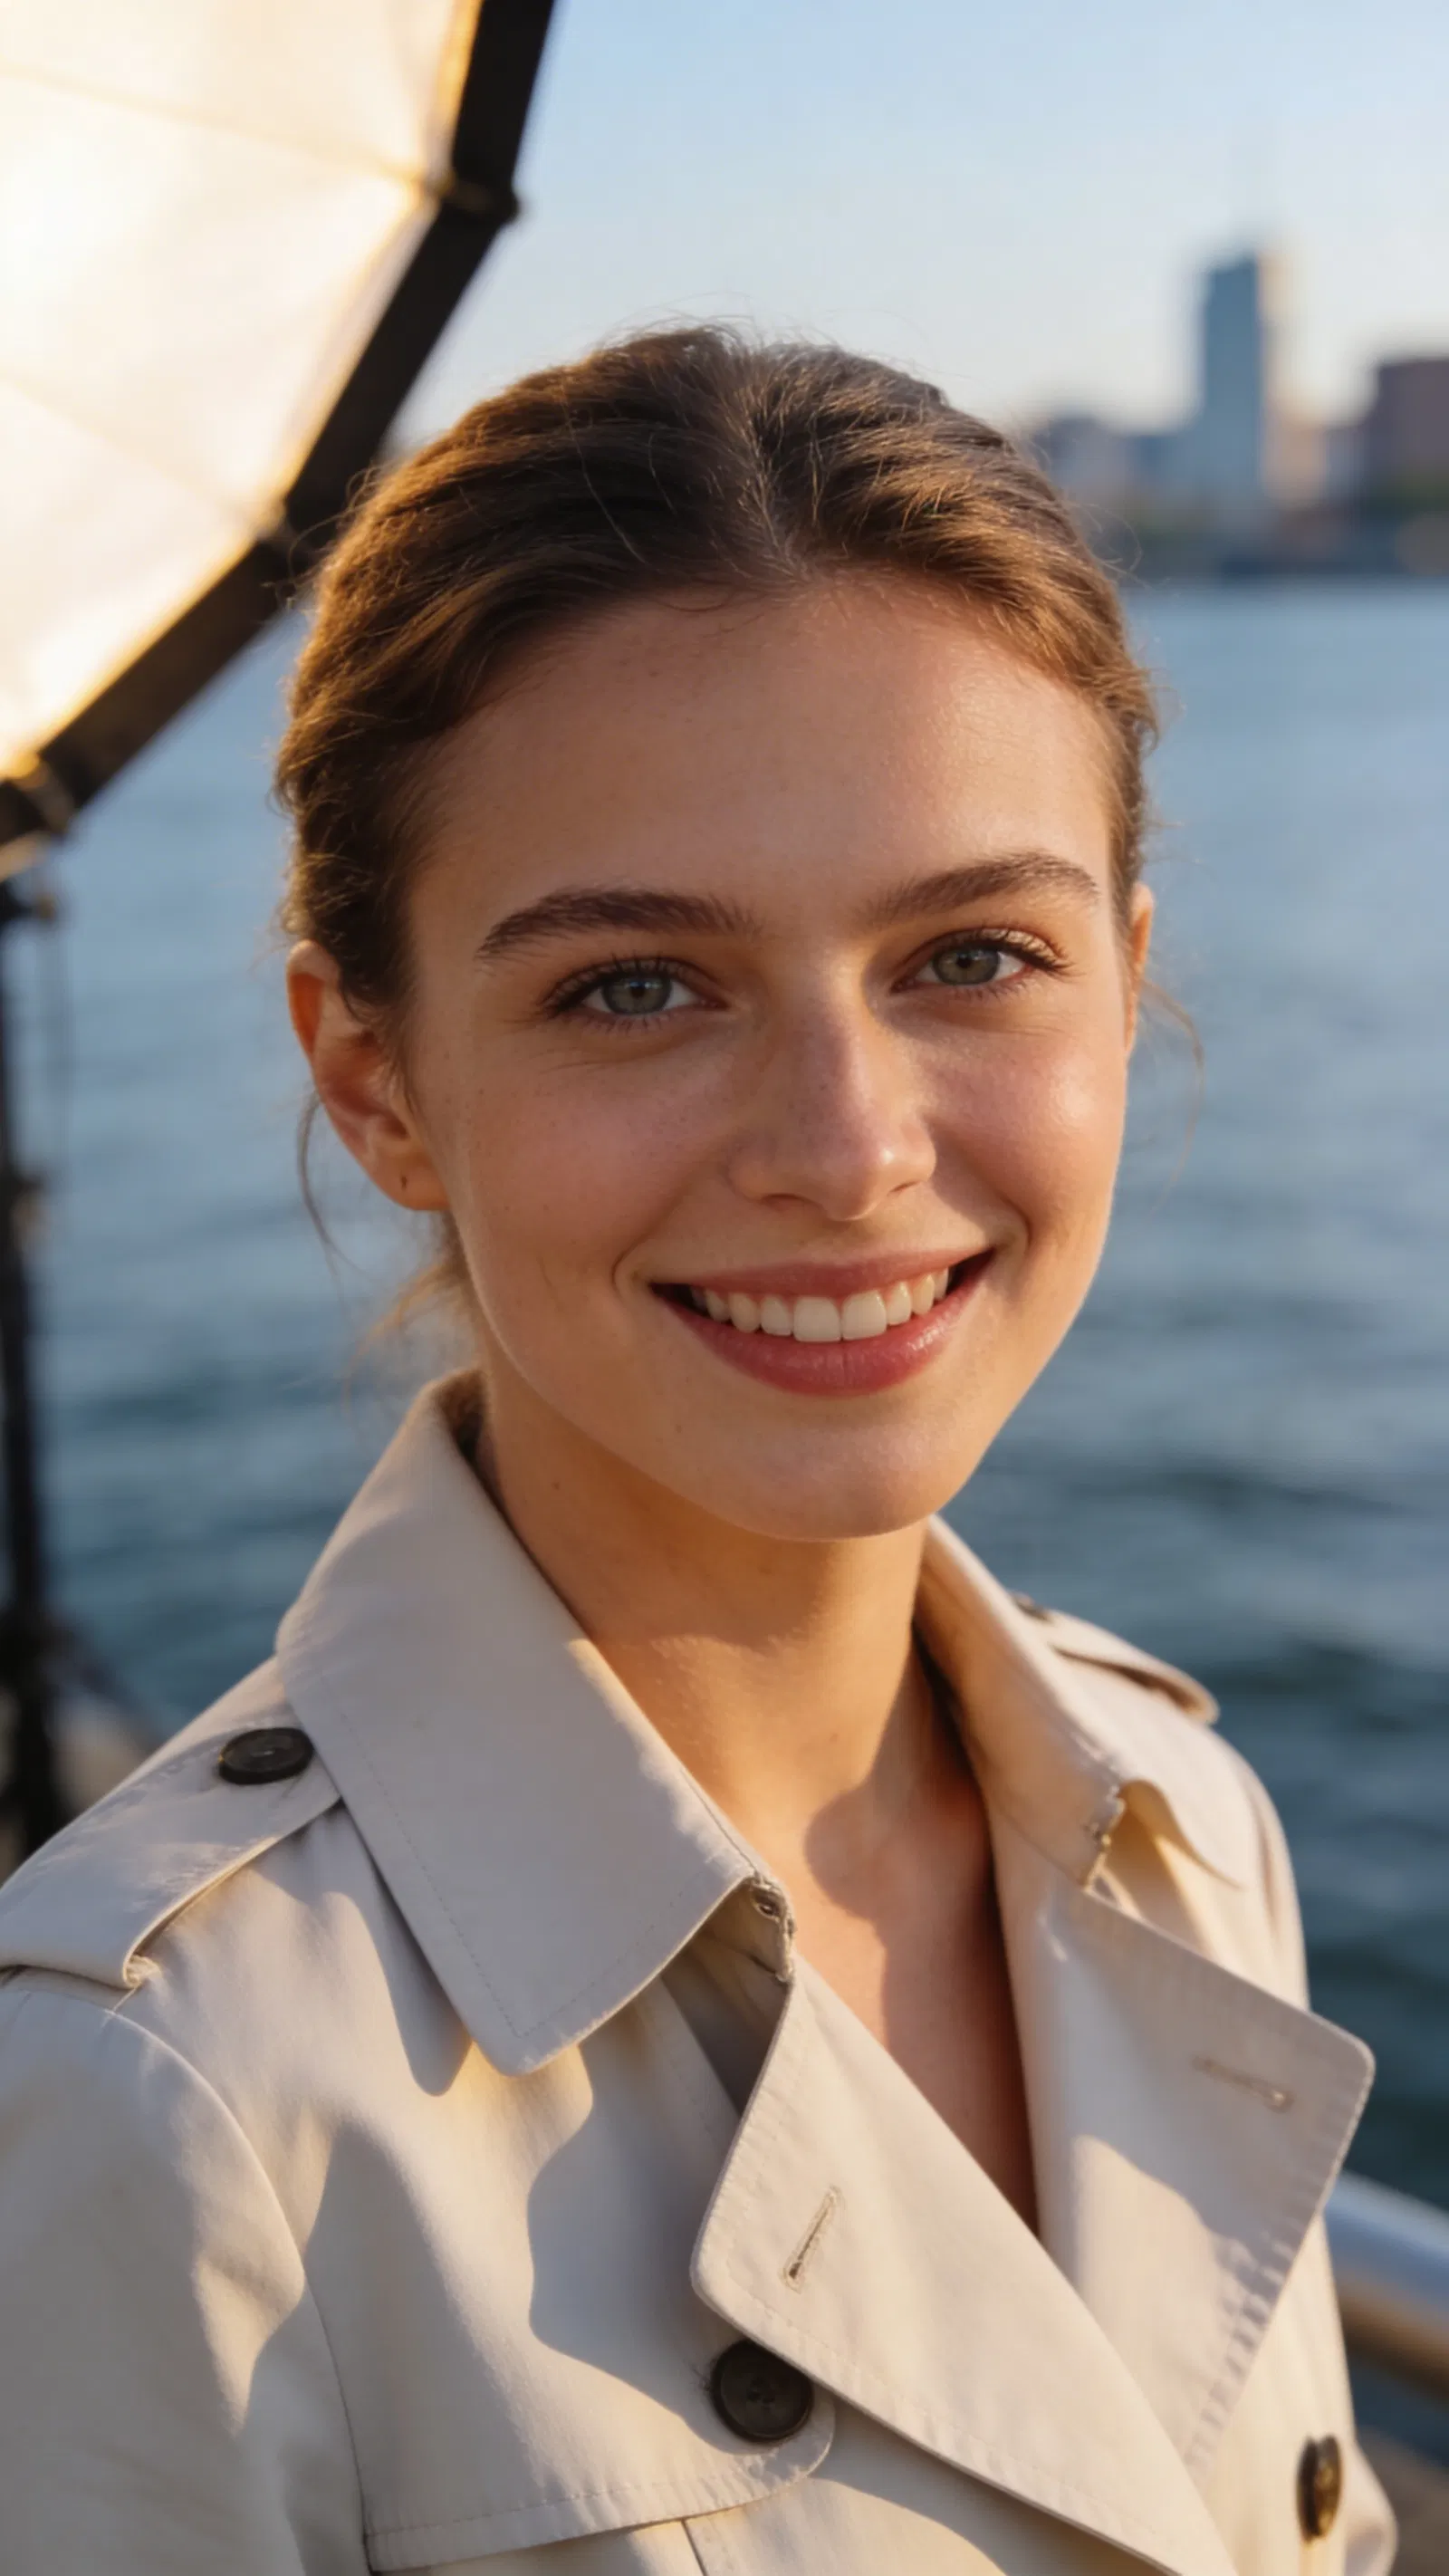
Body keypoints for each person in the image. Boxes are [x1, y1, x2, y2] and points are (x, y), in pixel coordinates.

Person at [0, 330, 1392, 2576]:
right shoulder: (161, 2098)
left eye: (969, 954)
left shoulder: (1184, 1835)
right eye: (635, 986)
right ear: (370, 1077)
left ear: (1120, 987)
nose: (846, 1154)